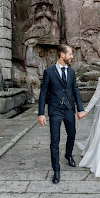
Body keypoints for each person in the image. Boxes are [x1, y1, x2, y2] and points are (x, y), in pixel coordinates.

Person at [38, 44, 86, 184]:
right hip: (55, 110)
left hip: (69, 109)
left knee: (72, 134)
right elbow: (43, 93)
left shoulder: (71, 72)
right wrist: (41, 113)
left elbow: (75, 90)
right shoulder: (49, 72)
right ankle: (56, 170)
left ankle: (68, 154)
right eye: (70, 54)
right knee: (55, 140)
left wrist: (80, 109)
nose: (72, 56)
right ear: (62, 55)